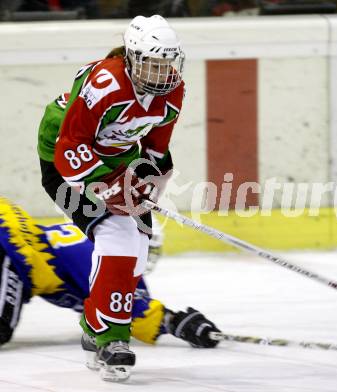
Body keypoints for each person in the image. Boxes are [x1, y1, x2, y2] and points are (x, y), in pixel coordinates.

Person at [36, 15, 194, 381]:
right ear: (134, 59)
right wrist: (107, 187)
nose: (162, 72)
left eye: (167, 62)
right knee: (117, 236)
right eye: (154, 63)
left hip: (117, 157)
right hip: (64, 159)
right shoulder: (105, 84)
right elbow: (68, 148)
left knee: (137, 248)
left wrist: (146, 185)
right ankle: (111, 337)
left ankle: (94, 327)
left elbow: (155, 149)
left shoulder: (173, 90)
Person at [0, 197, 221, 379]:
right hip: (13, 251)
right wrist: (174, 322)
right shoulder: (113, 258)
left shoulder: (99, 239)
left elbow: (103, 309)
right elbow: (130, 311)